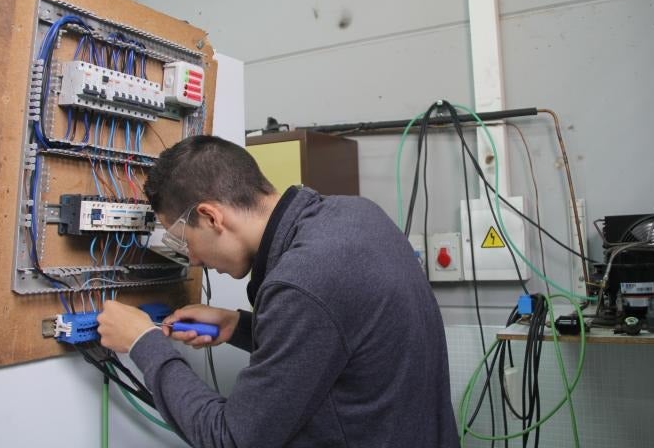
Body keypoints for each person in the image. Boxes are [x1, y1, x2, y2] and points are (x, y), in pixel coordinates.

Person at [97, 135, 459, 447]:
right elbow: (341, 342)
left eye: (183, 238)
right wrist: (239, 326)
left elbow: (232, 439)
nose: (191, 258)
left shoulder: (301, 282)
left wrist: (143, 343)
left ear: (211, 217)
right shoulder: (356, 215)